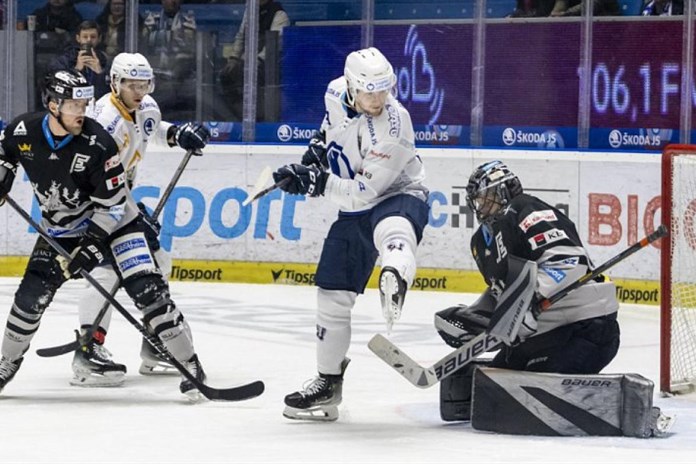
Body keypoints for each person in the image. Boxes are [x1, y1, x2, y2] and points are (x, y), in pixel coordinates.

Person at [0, 69, 207, 400]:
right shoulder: (22, 130)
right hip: (60, 229)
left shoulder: (98, 142)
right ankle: (6, 364)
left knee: (149, 291)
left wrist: (90, 250)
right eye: (73, 105)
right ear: (53, 105)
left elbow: (111, 209)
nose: (82, 111)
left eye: (84, 104)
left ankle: (190, 364)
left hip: (118, 225)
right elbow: (5, 154)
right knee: (28, 298)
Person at [272, 47, 430, 421]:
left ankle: (395, 273)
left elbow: (366, 192)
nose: (377, 99)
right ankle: (327, 384)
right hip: (353, 208)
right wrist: (315, 152)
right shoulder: (333, 91)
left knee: (393, 229)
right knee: (330, 295)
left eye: (384, 90)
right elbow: (330, 128)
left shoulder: (394, 126)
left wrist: (317, 182)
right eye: (369, 92)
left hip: (398, 194)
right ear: (351, 86)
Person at [434, 161, 620, 418]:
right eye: (478, 199)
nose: (482, 204)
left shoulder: (526, 209)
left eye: (488, 196)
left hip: (586, 329)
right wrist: (476, 322)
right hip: (545, 333)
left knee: (528, 399)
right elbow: (502, 292)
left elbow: (568, 262)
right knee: (492, 388)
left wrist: (530, 302)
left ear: (505, 191)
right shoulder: (480, 242)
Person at [68, 52, 210, 387]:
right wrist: (126, 213)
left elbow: (149, 130)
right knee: (104, 271)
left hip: (122, 199)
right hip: (93, 203)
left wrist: (177, 134)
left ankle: (154, 342)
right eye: (131, 83)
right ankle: (88, 348)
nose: (139, 90)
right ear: (115, 83)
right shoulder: (102, 120)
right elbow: (91, 177)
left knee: (158, 261)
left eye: (144, 83)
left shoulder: (147, 107)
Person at [218, 0, 290, 121]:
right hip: (247, 61)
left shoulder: (279, 14)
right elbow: (241, 36)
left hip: (268, 65)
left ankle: (259, 116)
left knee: (248, 74)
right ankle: (236, 115)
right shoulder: (250, 11)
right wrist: (234, 59)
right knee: (225, 74)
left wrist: (254, 61)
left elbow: (273, 45)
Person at [48, 20, 110, 99]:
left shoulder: (106, 61)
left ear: (99, 39)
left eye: (93, 37)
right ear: (78, 38)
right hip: (74, 106)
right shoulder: (64, 60)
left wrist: (100, 74)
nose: (89, 40)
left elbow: (109, 94)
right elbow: (58, 88)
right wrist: (76, 70)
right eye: (85, 37)